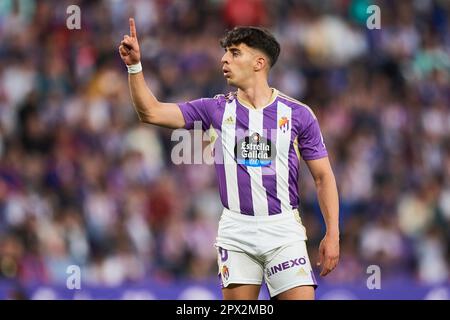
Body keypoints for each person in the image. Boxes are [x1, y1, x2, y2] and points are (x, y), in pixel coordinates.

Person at [119, 18, 339, 300]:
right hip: (237, 231)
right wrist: (135, 66)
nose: (224, 59)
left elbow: (323, 177)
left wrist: (333, 232)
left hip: (284, 230)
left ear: (259, 63)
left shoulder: (298, 114)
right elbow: (150, 112)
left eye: (235, 53)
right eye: (226, 52)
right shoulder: (215, 109)